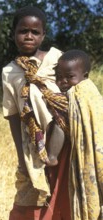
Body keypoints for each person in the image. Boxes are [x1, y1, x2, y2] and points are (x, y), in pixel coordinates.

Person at [1, 6, 71, 219]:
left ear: (43, 35)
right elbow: (13, 116)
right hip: (34, 142)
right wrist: (21, 156)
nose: (29, 36)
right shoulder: (9, 72)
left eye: (35, 32)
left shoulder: (58, 58)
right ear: (13, 34)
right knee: (36, 194)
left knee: (65, 191)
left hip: (66, 138)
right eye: (23, 31)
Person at [54, 49, 103, 219]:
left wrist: (51, 156)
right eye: (59, 77)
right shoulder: (86, 96)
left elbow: (59, 129)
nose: (63, 82)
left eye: (69, 77)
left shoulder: (78, 97)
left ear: (85, 76)